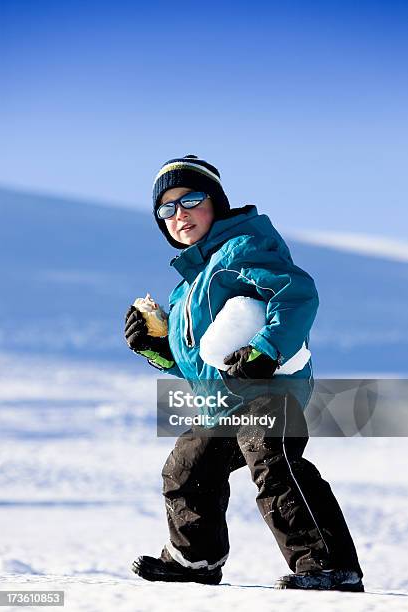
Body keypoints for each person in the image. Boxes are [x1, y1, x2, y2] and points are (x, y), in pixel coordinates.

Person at [124, 154, 364, 591]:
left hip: (270, 389)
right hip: (220, 402)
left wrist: (266, 349)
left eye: (191, 199)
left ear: (216, 203)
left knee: (274, 463)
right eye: (167, 208)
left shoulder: (242, 249)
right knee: (186, 469)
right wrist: (156, 350)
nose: (180, 214)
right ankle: (195, 560)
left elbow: (296, 294)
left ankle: (328, 567)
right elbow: (201, 367)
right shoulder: (185, 290)